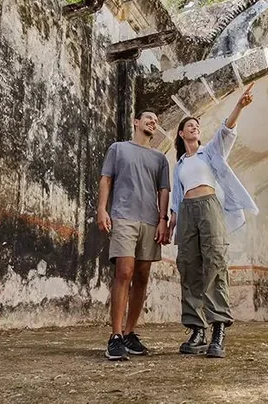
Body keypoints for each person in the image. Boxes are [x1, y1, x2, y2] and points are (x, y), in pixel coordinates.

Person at [170, 83, 258, 358]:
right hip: (186, 211)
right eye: (189, 125)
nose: (195, 127)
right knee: (188, 265)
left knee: (215, 262)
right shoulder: (180, 165)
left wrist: (239, 106)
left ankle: (218, 327)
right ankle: (197, 329)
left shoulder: (210, 152)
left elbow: (226, 130)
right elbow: (176, 198)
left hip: (209, 207)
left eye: (197, 125)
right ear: (181, 133)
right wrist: (170, 221)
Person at [97, 109, 171, 361]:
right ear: (136, 122)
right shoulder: (118, 149)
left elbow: (163, 190)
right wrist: (102, 209)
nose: (153, 122)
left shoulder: (160, 158)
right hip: (123, 216)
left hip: (150, 221)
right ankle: (115, 336)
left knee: (141, 276)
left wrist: (162, 220)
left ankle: (129, 333)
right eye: (148, 118)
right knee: (124, 272)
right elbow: (106, 179)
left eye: (156, 120)